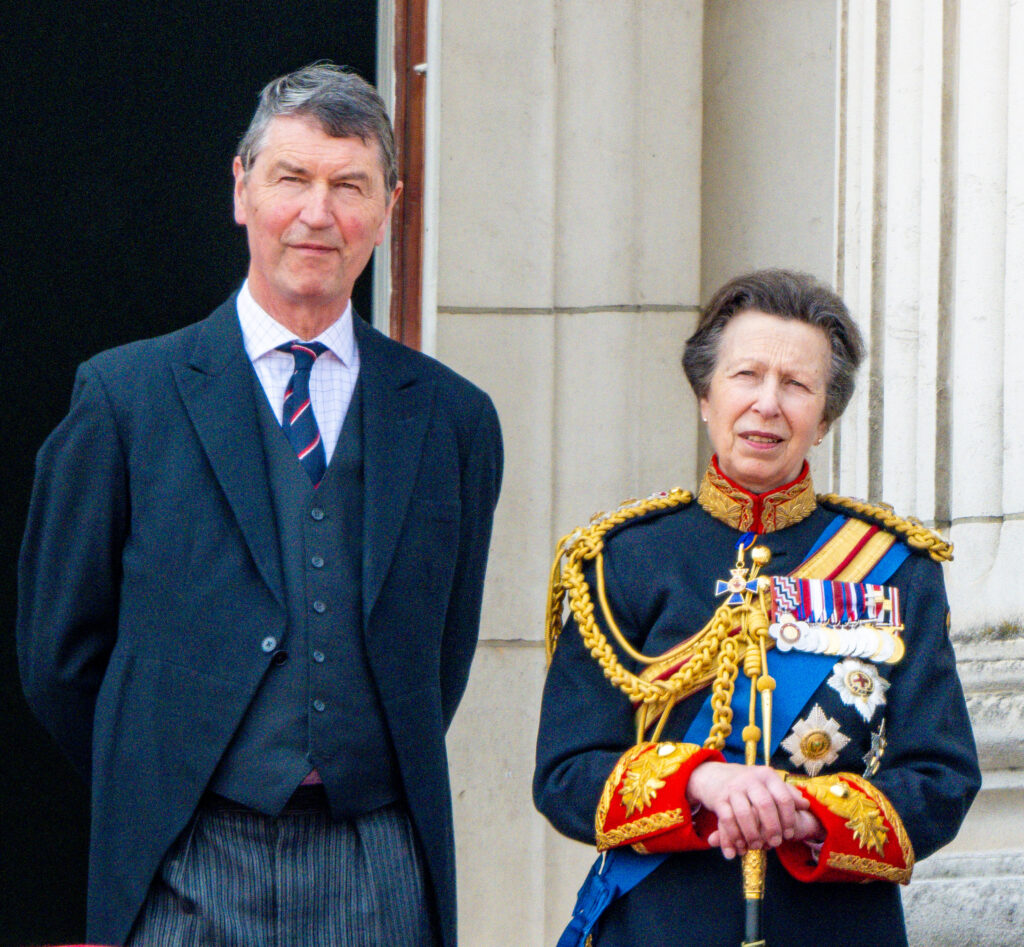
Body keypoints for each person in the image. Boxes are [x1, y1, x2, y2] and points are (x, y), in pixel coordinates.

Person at [18, 63, 502, 947]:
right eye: (293, 179)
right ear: (242, 190)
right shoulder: (126, 398)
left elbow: (443, 654)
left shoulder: (453, 420)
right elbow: (59, 653)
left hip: (377, 858)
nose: (319, 213)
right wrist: (159, 771)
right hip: (184, 857)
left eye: (349, 185)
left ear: (388, 207)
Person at [534, 269, 978, 945]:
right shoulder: (622, 557)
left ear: (825, 418)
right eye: (746, 375)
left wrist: (805, 813)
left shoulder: (899, 568)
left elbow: (941, 777)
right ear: (705, 396)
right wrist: (702, 781)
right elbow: (566, 773)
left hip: (836, 926)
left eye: (796, 385)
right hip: (660, 923)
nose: (767, 404)